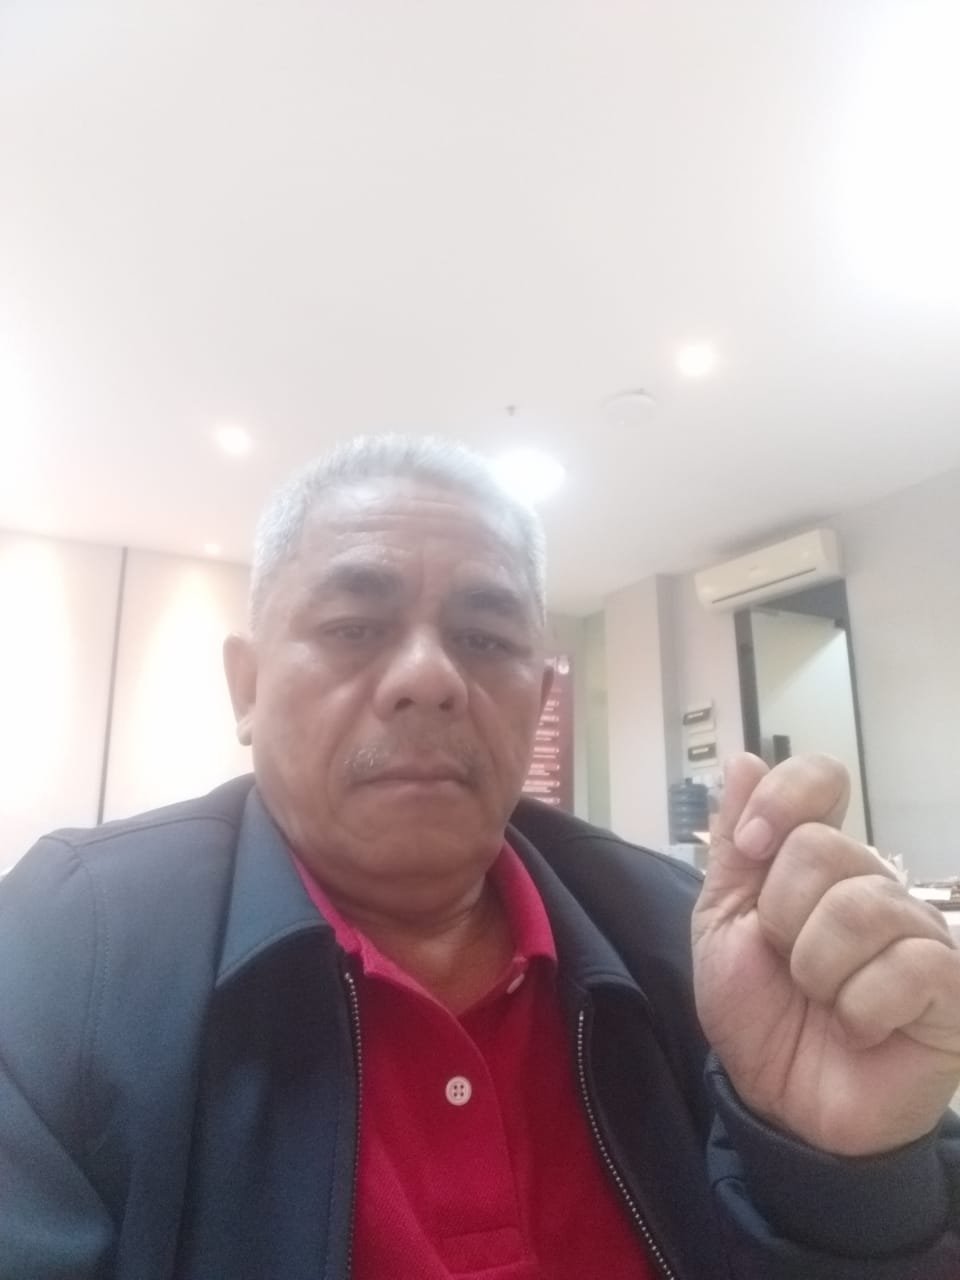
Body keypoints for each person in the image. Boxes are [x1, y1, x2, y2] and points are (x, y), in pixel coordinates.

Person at [1, 436, 959, 1280]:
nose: (430, 677)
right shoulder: (69, 945)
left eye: (485, 638)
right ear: (246, 688)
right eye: (354, 629)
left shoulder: (698, 951)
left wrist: (844, 1173)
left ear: (538, 700)